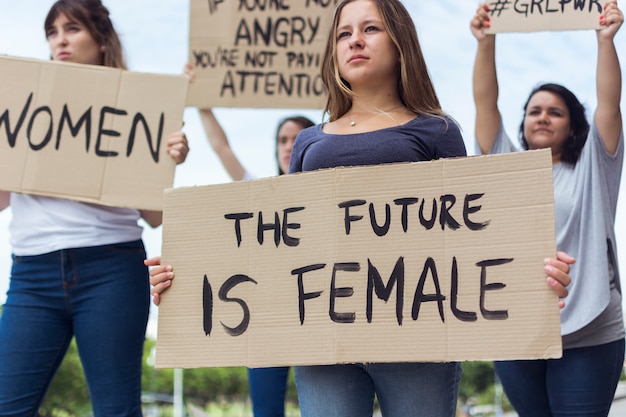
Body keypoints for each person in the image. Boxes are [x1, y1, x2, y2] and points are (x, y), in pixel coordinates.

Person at [148, 1, 571, 416]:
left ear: (400, 41)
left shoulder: (437, 130)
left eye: (371, 29)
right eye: (343, 33)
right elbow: (282, 245)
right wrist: (187, 273)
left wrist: (530, 278)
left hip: (417, 341)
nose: (355, 41)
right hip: (322, 342)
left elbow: (471, 232)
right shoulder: (308, 141)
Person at [0, 1, 189, 416]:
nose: (60, 40)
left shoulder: (137, 108)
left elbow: (154, 217)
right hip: (32, 274)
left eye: (72, 28)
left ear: (101, 39)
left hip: (111, 269)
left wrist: (166, 161)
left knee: (116, 410)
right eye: (52, 32)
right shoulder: (24, 104)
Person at [471, 1, 625, 416]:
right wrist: (486, 43)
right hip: (517, 329)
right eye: (534, 111)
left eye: (555, 112)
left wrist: (605, 41)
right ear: (522, 123)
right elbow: (487, 107)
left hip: (590, 331)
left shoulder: (595, 166)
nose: (542, 117)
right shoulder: (504, 164)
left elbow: (608, 106)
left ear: (574, 125)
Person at [198, 106, 315, 417]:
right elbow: (222, 149)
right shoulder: (259, 193)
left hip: (318, 317)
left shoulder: (332, 196)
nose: (289, 146)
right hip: (267, 321)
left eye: (298, 138)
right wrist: (203, 106)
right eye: (282, 140)